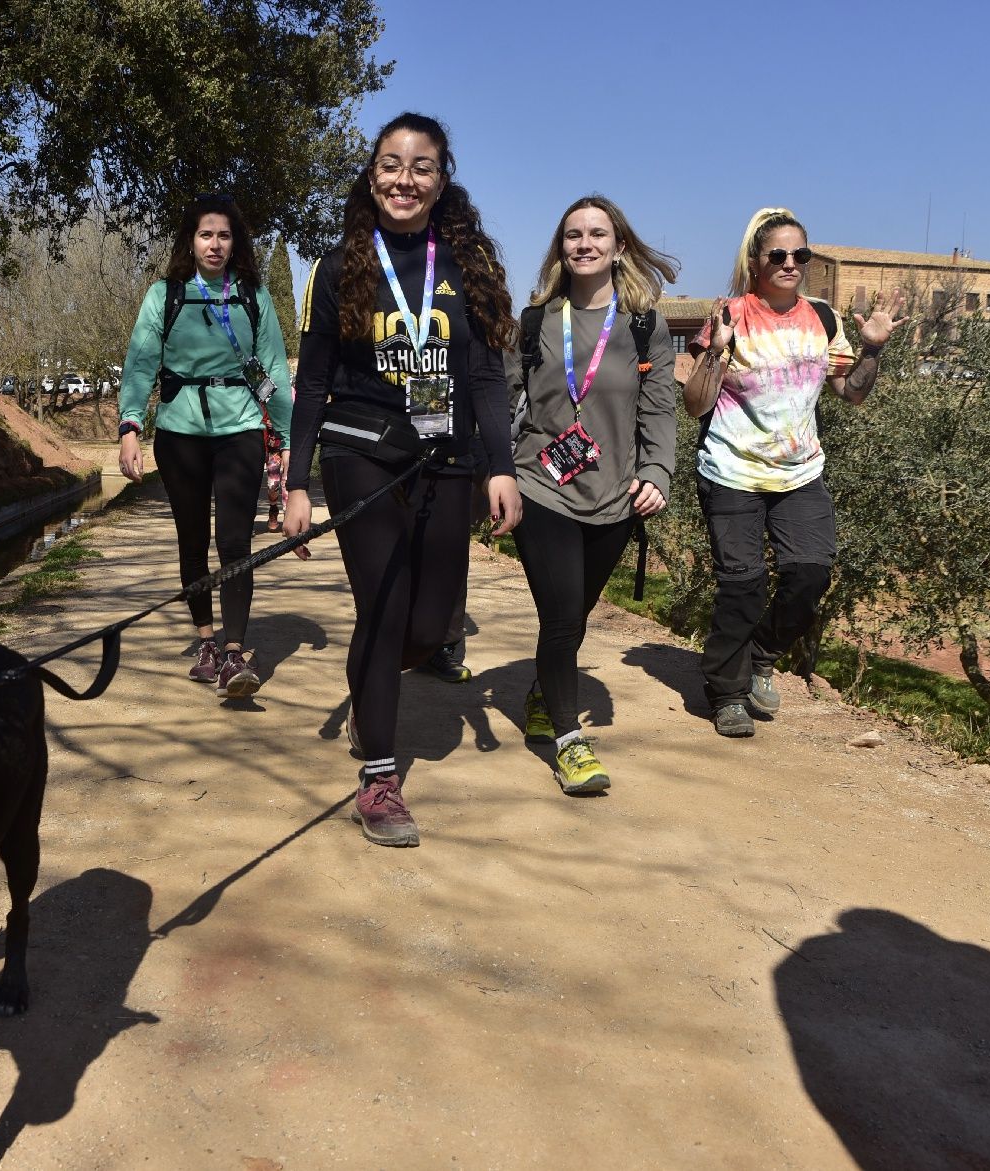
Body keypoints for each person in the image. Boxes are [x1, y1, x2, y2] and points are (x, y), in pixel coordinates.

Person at [282, 111, 520, 848]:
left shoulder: (470, 266)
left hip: (447, 461)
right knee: (382, 611)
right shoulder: (337, 266)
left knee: (425, 626)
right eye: (391, 164)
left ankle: (367, 698)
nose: (404, 179)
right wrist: (296, 482)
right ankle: (379, 777)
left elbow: (484, 377)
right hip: (361, 453)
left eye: (421, 166)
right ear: (372, 173)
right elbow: (314, 382)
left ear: (443, 178)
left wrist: (500, 467)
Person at [684, 207, 906, 737]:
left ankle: (763, 652)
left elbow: (851, 394)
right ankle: (727, 691)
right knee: (742, 582)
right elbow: (695, 404)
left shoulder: (822, 318)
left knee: (810, 571)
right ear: (757, 261)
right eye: (778, 254)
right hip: (732, 469)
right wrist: (714, 354)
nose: (790, 263)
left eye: (799, 255)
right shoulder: (730, 315)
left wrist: (872, 347)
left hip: (800, 473)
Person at [510, 196, 678, 794]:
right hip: (541, 487)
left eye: (597, 234)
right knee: (560, 619)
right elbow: (499, 398)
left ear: (619, 246)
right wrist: (491, 474)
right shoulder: (533, 322)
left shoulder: (644, 326)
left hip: (614, 498)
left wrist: (658, 472)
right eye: (573, 235)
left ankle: (539, 692)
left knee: (574, 617)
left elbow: (660, 411)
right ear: (561, 248)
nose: (585, 244)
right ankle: (568, 740)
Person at [118, 194, 295, 700]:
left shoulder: (252, 295)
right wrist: (131, 426)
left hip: (239, 428)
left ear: (235, 242)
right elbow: (140, 363)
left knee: (234, 542)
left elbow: (276, 370)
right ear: (190, 241)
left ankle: (235, 653)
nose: (215, 244)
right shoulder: (164, 294)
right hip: (179, 433)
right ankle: (206, 644)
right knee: (192, 540)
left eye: (224, 235)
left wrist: (282, 439)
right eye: (205, 235)